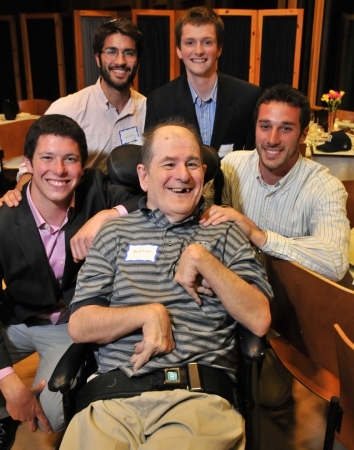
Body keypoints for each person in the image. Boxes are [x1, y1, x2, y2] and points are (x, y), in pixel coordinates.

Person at [59, 118, 272, 450]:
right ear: (143, 176)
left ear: (204, 172)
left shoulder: (225, 231)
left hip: (196, 398)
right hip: (111, 399)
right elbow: (80, 325)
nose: (183, 176)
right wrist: (147, 313)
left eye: (191, 165)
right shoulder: (114, 234)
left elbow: (259, 317)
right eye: (169, 164)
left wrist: (204, 260)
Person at [0, 114, 142, 450]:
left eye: (70, 159)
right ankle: (6, 414)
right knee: (9, 385)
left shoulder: (93, 187)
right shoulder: (6, 219)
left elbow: (147, 201)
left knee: (52, 415)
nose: (59, 171)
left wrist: (107, 216)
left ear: (82, 164)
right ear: (28, 164)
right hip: (17, 319)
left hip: (68, 324)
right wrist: (9, 383)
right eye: (47, 158)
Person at [201, 84, 349, 282]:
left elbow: (335, 261)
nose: (272, 139)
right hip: (235, 292)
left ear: (303, 134)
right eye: (265, 126)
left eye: (285, 128)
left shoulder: (324, 187)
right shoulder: (231, 166)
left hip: (292, 303)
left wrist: (260, 236)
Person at [14, 17, 146, 192]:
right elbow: (30, 168)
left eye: (129, 53)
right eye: (111, 51)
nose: (120, 61)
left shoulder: (148, 109)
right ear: (98, 58)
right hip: (78, 207)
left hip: (129, 208)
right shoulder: (67, 109)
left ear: (137, 60)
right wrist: (18, 197)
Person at [145, 7, 261, 155]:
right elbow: (153, 162)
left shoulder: (249, 97)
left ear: (219, 49)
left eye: (207, 42)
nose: (198, 51)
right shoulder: (158, 103)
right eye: (190, 43)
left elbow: (253, 160)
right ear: (179, 50)